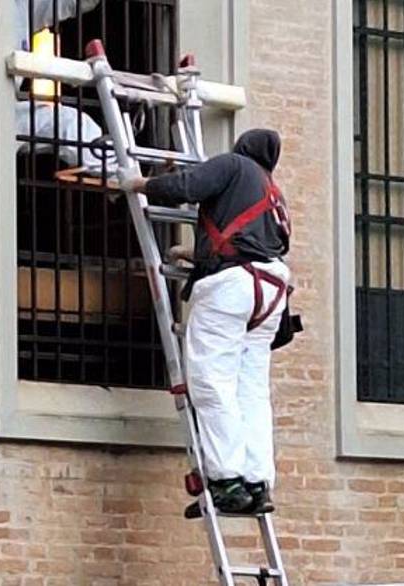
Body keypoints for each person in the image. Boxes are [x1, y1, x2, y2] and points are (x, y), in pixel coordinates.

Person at [120, 129, 292, 516]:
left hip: (233, 288)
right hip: (270, 290)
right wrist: (197, 255)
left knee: (213, 384)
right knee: (251, 391)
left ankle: (226, 481)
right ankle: (257, 482)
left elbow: (187, 185)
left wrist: (142, 183)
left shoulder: (234, 166)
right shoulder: (271, 192)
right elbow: (251, 244)